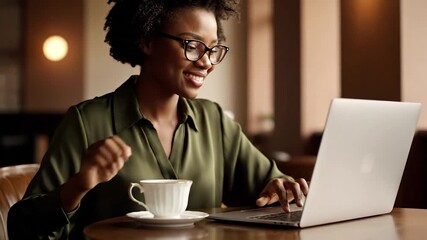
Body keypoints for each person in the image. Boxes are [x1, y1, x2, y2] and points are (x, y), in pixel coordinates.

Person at [8, 0, 308, 239]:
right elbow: (22, 228)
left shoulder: (213, 119)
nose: (206, 61)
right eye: (192, 45)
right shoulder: (87, 121)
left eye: (213, 49)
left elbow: (269, 184)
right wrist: (78, 185)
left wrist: (282, 188)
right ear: (147, 41)